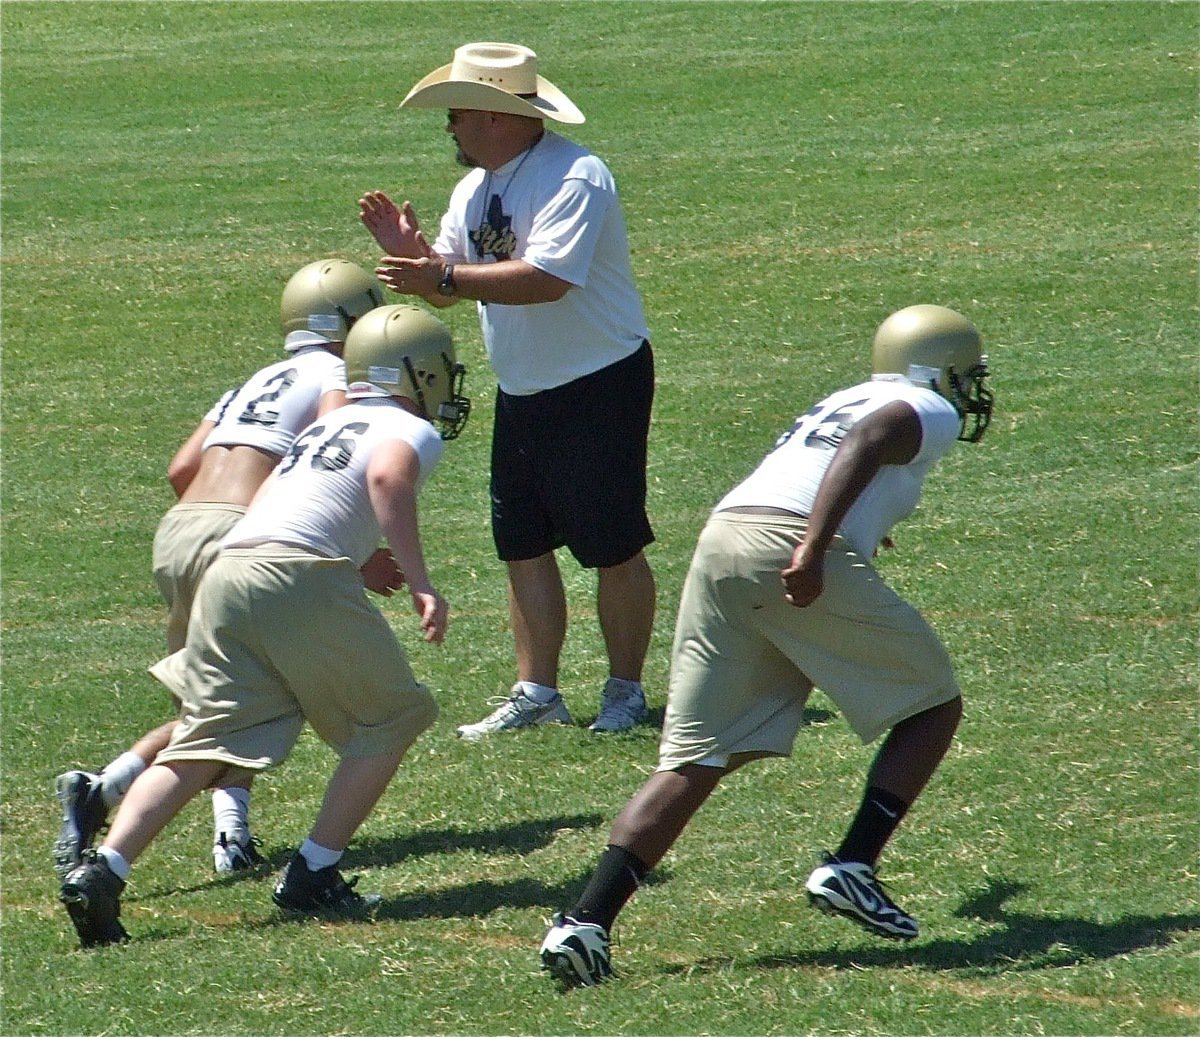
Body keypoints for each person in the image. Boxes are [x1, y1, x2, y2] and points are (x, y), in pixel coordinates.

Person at [538, 305, 996, 986]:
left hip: (726, 538)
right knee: (933, 705)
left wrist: (845, 529)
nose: (971, 390)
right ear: (941, 369)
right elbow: (873, 439)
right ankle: (854, 864)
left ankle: (584, 922)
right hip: (788, 547)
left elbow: (826, 459)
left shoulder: (849, 392)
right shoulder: (920, 404)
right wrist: (814, 545)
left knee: (696, 756)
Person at [58, 303, 472, 948]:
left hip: (232, 567)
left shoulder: (329, 422)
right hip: (296, 574)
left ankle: (103, 870)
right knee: (393, 719)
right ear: (417, 373)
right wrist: (420, 581)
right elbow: (387, 477)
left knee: (206, 737)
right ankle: (314, 870)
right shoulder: (405, 426)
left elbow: (290, 491)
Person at [358, 41, 656, 738]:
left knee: (611, 545)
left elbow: (547, 279)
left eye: (458, 114)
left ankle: (626, 690)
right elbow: (455, 282)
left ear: (496, 116)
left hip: (598, 382)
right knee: (520, 542)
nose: (451, 129)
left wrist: (442, 277)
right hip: (524, 388)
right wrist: (416, 257)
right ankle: (537, 691)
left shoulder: (574, 176)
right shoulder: (475, 188)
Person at [52, 259, 386, 879]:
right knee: (253, 696)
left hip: (180, 529)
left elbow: (182, 469)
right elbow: (327, 462)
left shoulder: (256, 379)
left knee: (215, 699)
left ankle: (215, 829)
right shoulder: (337, 372)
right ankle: (116, 794)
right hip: (244, 534)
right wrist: (354, 555)